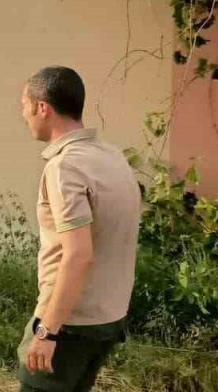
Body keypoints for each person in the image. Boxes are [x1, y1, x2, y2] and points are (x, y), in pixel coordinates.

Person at [16, 66, 141, 392]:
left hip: (70, 324)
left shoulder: (65, 167)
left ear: (42, 107)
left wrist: (47, 331)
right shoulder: (112, 157)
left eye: (24, 106)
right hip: (108, 318)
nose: (24, 115)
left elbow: (79, 255)